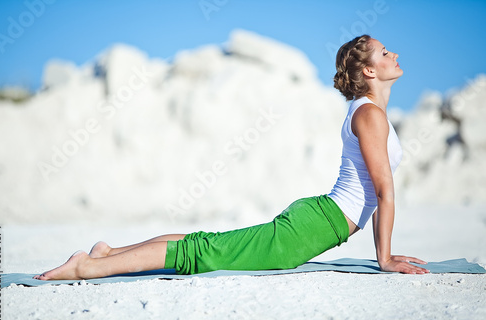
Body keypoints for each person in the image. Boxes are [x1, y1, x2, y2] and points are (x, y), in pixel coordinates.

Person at [34, 35, 429, 281]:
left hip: (315, 219)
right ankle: (88, 266)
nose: (392, 52)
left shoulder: (368, 112)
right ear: (369, 71)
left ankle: (110, 253)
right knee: (205, 253)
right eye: (383, 51)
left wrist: (385, 253)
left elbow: (377, 191)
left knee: (209, 244)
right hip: (308, 229)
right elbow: (383, 190)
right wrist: (385, 259)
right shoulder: (369, 114)